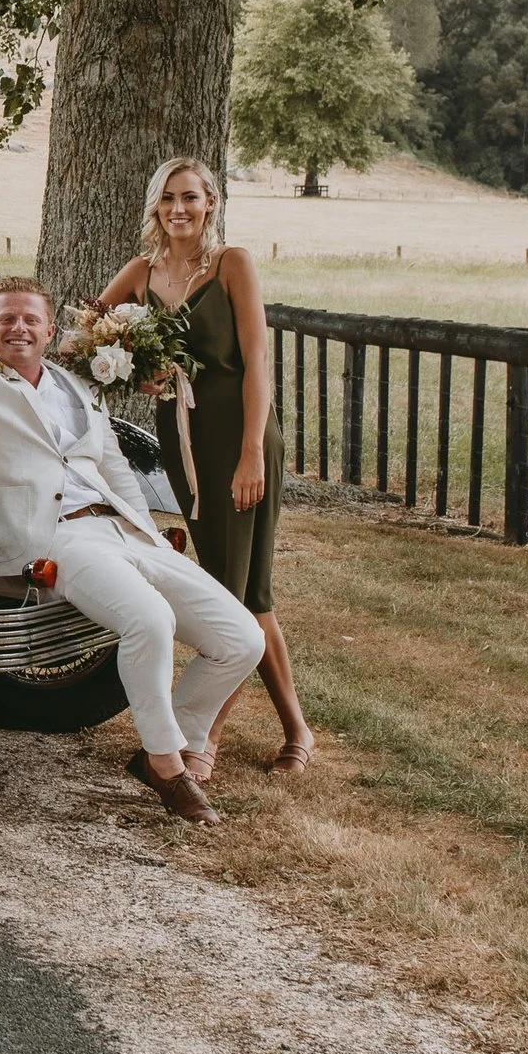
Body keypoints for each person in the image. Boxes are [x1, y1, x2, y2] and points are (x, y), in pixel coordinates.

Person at [0, 276, 267, 825]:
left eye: (30, 320)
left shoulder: (75, 386)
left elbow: (112, 467)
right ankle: (166, 766)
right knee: (149, 620)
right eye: (6, 319)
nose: (18, 328)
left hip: (120, 527)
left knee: (240, 638)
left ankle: (174, 739)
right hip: (52, 535)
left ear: (49, 330)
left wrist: (155, 542)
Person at [97, 156, 312, 779]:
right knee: (241, 592)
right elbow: (87, 338)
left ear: (211, 203)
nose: (178, 210)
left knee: (236, 593)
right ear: (155, 207)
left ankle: (206, 737)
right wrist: (140, 372)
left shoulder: (232, 265)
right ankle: (296, 730)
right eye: (168, 199)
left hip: (238, 436)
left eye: (190, 197)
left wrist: (251, 453)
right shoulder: (142, 273)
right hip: (180, 439)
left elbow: (258, 364)